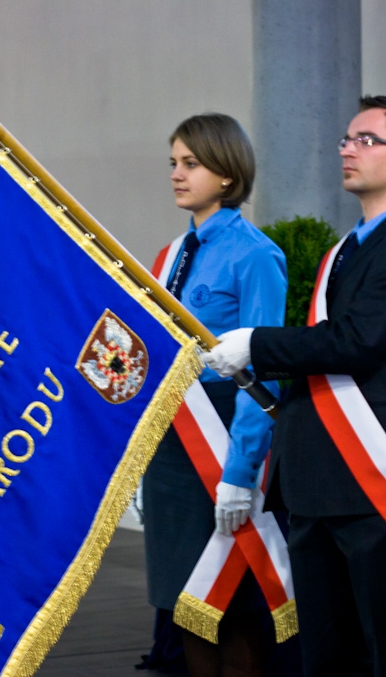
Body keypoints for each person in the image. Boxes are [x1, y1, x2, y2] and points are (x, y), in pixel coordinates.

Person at [203, 96, 386, 676]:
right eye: (346, 138)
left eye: (366, 140)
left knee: (382, 650)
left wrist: (258, 345)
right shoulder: (348, 249)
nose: (346, 149)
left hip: (367, 482)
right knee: (324, 652)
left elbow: (357, 341)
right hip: (317, 478)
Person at [141, 113, 289, 677]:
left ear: (227, 175)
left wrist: (242, 470)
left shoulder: (256, 255)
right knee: (185, 602)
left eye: (192, 164)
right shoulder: (168, 255)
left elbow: (262, 371)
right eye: (174, 163)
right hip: (173, 441)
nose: (178, 174)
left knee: (232, 602)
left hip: (223, 438)